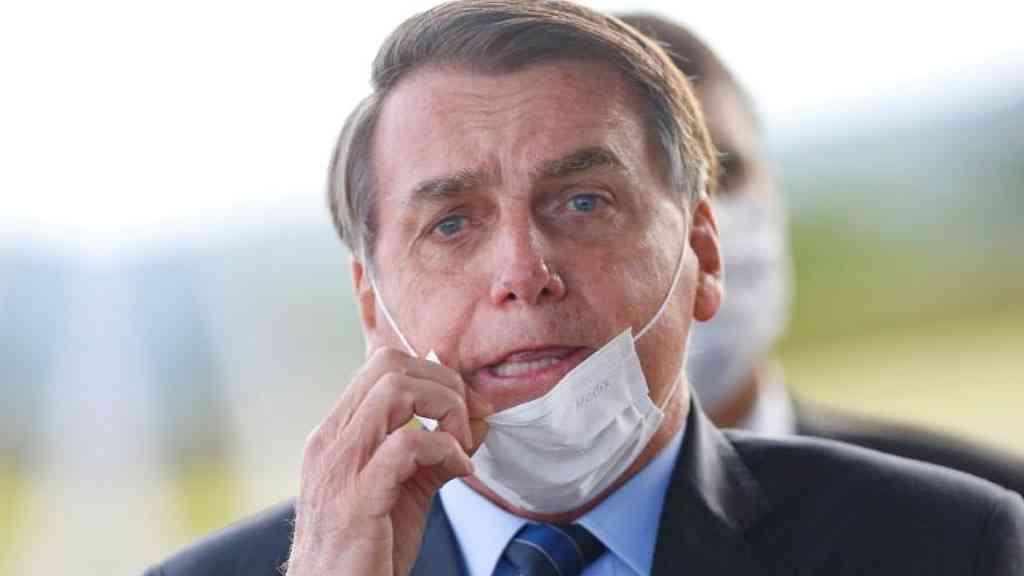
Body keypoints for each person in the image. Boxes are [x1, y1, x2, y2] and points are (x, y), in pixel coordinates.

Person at [144, 2, 1024, 575]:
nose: (523, 274)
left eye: (583, 202)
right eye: (451, 224)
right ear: (372, 305)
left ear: (703, 252)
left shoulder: (949, 545)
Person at [618, 13, 1024, 497]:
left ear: (773, 184)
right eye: (618, 194)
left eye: (725, 175)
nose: (700, 225)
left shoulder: (982, 511)